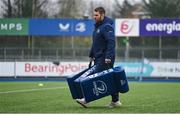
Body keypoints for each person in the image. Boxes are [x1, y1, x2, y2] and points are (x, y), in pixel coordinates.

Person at [76, 7, 121, 108]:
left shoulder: (107, 27)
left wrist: (108, 56)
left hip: (105, 57)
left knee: (94, 78)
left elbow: (111, 42)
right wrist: (91, 55)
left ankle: (86, 100)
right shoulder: (97, 27)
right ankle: (116, 100)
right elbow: (95, 44)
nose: (94, 17)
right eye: (94, 15)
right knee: (109, 79)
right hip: (99, 57)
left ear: (102, 15)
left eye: (96, 15)